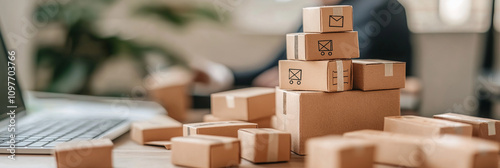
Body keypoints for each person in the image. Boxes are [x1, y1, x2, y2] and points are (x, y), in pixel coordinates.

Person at [235, 0, 413, 87]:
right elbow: (277, 65)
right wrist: (224, 75)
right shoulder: (314, 14)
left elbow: (352, 63)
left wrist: (300, 75)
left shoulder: (381, 6)